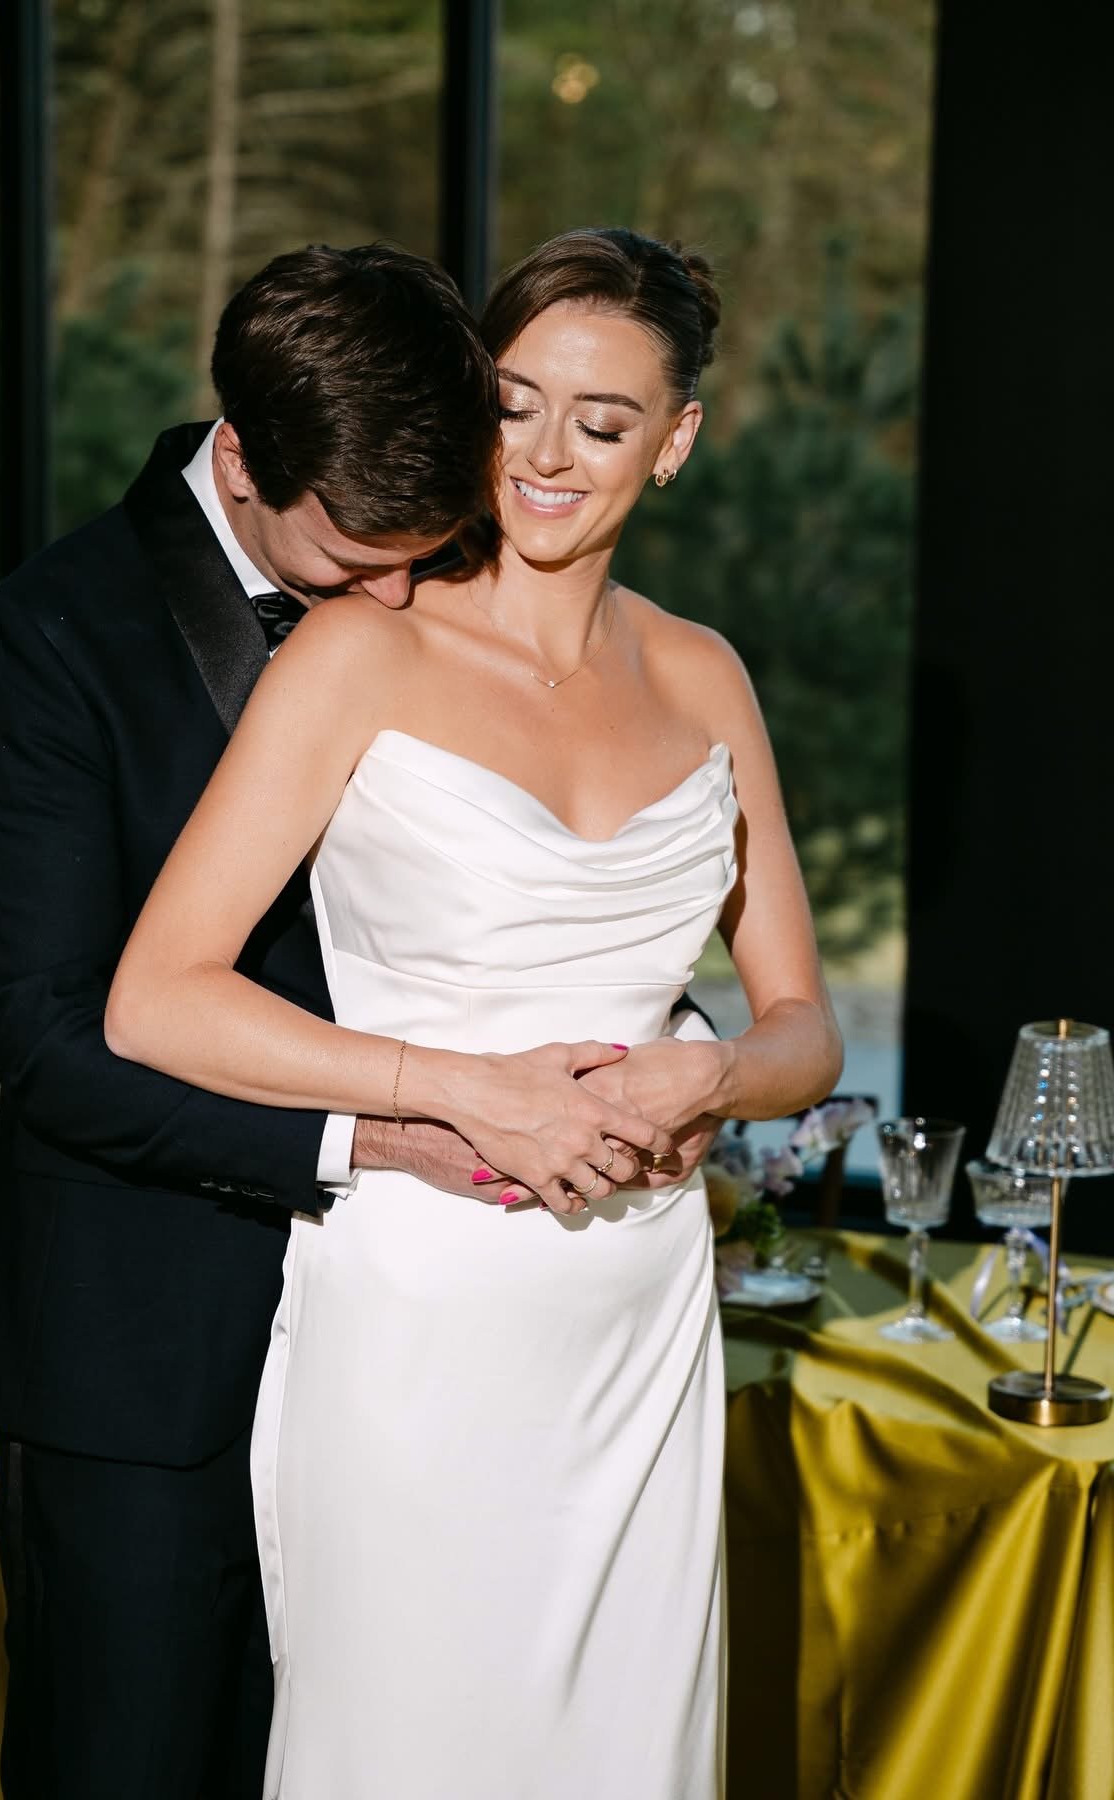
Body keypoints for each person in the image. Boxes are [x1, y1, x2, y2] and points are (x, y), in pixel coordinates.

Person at [0, 241, 689, 1800]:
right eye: (361, 566)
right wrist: (384, 1132)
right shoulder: (43, 643)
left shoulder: (426, 556)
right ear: (241, 458)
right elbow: (60, 1047)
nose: (405, 595)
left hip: (408, 1364)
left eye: (433, 550)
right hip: (148, 1351)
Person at [106, 226, 844, 1798]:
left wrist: (705, 1075)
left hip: (642, 1327)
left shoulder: (709, 678)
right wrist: (460, 1089)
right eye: (514, 406)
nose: (550, 457)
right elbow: (158, 1000)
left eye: (605, 419)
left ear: (678, 439)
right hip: (417, 1321)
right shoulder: (358, 653)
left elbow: (805, 1029)